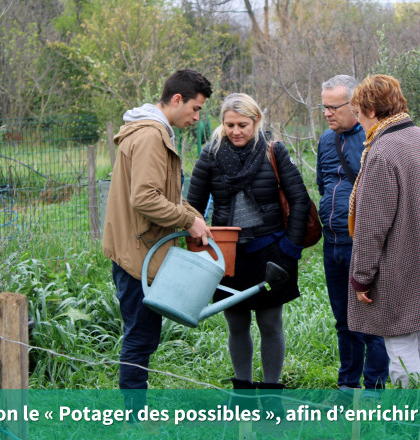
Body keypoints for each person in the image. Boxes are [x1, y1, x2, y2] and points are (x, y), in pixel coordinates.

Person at [102, 69, 214, 409]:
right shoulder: (152, 136)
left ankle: (135, 410)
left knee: (142, 335)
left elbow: (166, 193)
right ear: (177, 100)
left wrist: (193, 215)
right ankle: (135, 417)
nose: (196, 118)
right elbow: (146, 199)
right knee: (139, 337)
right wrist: (187, 220)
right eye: (195, 109)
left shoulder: (153, 130)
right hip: (138, 253)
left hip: (138, 248)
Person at [186, 93, 311, 395]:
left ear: (256, 122)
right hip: (228, 254)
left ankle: (271, 394)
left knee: (270, 323)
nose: (235, 131)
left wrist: (290, 250)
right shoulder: (210, 155)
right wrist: (200, 251)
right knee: (236, 324)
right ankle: (242, 392)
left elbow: (300, 201)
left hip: (272, 251)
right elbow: (193, 207)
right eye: (229, 124)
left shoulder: (273, 152)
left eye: (243, 124)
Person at [347, 74, 420, 389]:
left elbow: (372, 225)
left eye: (357, 113)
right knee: (418, 340)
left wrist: (362, 277)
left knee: (401, 346)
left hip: (399, 265)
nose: (357, 121)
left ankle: (408, 421)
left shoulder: (383, 152)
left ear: (370, 109)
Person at [316, 75, 389, 391]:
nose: (328, 113)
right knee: (343, 320)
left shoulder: (375, 139)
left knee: (371, 322)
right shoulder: (324, 140)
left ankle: (374, 389)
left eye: (334, 107)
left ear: (355, 104)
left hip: (362, 244)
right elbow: (324, 184)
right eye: (324, 107)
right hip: (330, 243)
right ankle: (347, 386)